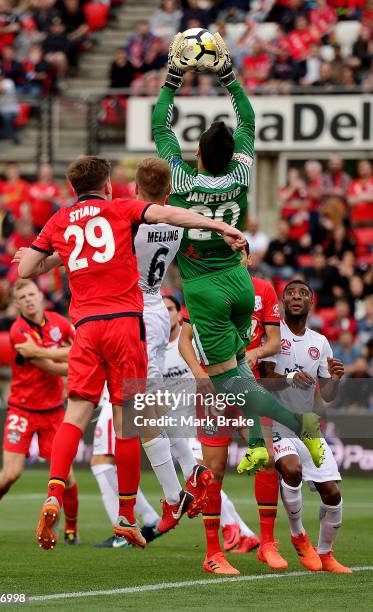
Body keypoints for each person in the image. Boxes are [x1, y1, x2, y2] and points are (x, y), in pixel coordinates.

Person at [152, 32, 325, 574]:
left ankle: (298, 426)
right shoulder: (244, 172)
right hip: (240, 282)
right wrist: (228, 78)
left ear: (198, 153)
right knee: (236, 384)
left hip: (202, 284)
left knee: (227, 380)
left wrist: (174, 79)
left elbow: (161, 126)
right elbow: (248, 121)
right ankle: (262, 436)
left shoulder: (181, 177)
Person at [17, 155, 246, 551]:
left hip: (91, 323)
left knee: (83, 413)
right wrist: (220, 224)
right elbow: (173, 215)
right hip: (135, 318)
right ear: (109, 186)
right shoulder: (129, 212)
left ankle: (59, 488)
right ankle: (144, 504)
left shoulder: (62, 219)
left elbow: (35, 267)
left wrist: (37, 259)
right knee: (135, 414)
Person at [89, 158, 213, 548]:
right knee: (153, 406)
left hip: (134, 314)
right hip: (159, 310)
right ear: (168, 194)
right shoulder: (176, 219)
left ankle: (174, 498)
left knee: (139, 415)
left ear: (136, 193)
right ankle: (195, 471)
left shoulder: (129, 221)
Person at [0, 279, 80, 545]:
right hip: (22, 408)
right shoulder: (18, 331)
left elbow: (82, 347)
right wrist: (77, 363)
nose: (29, 300)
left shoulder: (60, 323)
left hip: (53, 410)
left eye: (32, 294)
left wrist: (76, 356)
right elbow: (49, 367)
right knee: (11, 473)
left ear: (41, 296)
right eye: (23, 297)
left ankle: (71, 530)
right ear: (17, 304)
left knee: (67, 475)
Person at [262, 280, 351, 573]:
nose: (296, 297)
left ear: (311, 303)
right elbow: (264, 377)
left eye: (302, 294)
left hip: (307, 427)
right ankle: (299, 536)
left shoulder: (320, 342)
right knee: (291, 469)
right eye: (290, 293)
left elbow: (326, 395)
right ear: (283, 302)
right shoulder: (274, 335)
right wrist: (289, 378)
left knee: (333, 493)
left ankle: (325, 554)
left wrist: (335, 378)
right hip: (276, 423)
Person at [164, 294, 259, 555]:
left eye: (171, 308)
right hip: (177, 425)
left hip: (203, 417)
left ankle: (233, 528)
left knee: (203, 475)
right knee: (201, 476)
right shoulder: (156, 348)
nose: (166, 314)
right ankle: (245, 533)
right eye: (162, 310)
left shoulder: (190, 344)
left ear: (179, 313)